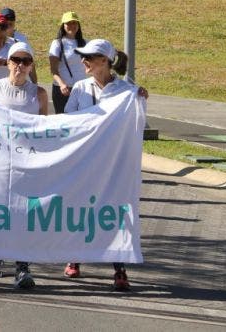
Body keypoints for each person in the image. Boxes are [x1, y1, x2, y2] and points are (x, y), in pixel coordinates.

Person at [62, 39, 147, 291]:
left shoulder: (126, 90)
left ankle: (119, 268)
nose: (83, 61)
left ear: (105, 61)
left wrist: (141, 100)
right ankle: (75, 257)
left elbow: (136, 125)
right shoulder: (80, 88)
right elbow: (67, 123)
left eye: (89, 57)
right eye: (83, 57)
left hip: (113, 166)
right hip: (84, 163)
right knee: (81, 210)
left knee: (114, 214)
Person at [0, 42, 48, 289]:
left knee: (24, 213)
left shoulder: (38, 93)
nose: (20, 65)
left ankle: (23, 266)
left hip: (26, 163)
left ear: (31, 66)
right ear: (7, 62)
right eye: (16, 60)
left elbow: (43, 130)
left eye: (26, 61)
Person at [48, 12, 87, 114]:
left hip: (81, 89)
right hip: (63, 91)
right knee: (63, 122)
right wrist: (62, 84)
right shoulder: (57, 43)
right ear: (63, 25)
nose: (72, 26)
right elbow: (53, 69)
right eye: (68, 23)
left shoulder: (85, 43)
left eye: (74, 23)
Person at [0, 7, 36, 83]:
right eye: (6, 19)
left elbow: (31, 62)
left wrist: (34, 83)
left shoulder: (22, 38)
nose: (9, 22)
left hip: (20, 80)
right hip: (2, 80)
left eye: (11, 19)